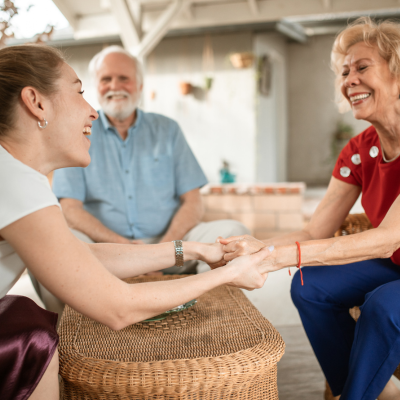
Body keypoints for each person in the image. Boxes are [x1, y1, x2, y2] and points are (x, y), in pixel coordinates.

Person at [0, 44, 269, 400]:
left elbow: (80, 257)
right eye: (80, 92)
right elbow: (119, 306)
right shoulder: (13, 179)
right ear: (36, 103)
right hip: (106, 291)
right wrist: (228, 274)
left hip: (156, 238)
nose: (92, 110)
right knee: (32, 332)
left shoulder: (15, 173)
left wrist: (192, 249)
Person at [219, 17, 400, 400]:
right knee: (309, 285)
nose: (348, 79)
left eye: (362, 67)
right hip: (395, 263)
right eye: (345, 71)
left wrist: (277, 258)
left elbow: (387, 239)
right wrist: (260, 247)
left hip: (390, 253)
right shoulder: (359, 150)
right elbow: (314, 230)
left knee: (382, 306)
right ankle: (365, 390)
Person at [51, 45, 249, 273]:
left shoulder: (168, 129)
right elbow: (69, 208)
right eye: (106, 79)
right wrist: (125, 247)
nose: (114, 86)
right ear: (96, 86)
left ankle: (209, 306)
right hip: (107, 251)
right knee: (53, 245)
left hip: (174, 247)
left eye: (123, 78)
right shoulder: (77, 132)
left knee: (234, 232)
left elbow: (193, 201)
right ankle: (73, 311)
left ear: (140, 85)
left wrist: (164, 249)